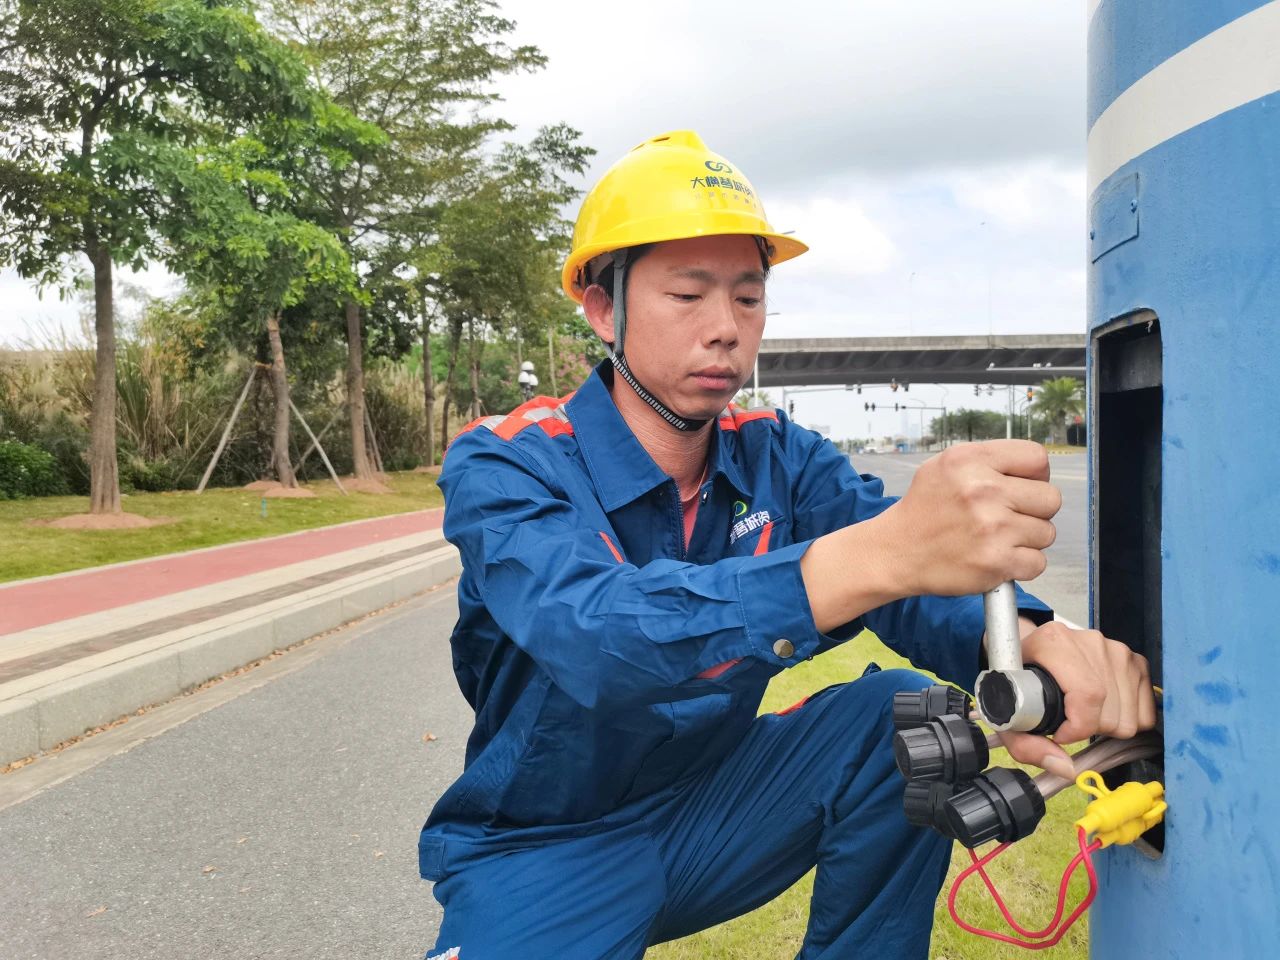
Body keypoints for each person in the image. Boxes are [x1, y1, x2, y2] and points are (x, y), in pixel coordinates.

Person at [419, 130, 1155, 960]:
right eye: (688, 295)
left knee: (903, 722)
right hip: (545, 847)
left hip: (718, 809)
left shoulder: (779, 453)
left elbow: (914, 576)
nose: (725, 330)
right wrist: (871, 558)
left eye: (747, 297)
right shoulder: (510, 459)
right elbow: (597, 635)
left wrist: (1032, 643)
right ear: (602, 307)